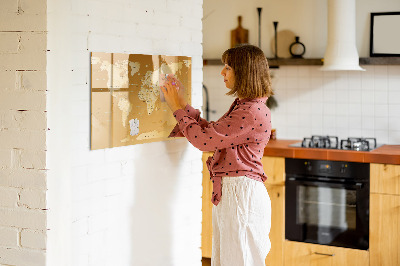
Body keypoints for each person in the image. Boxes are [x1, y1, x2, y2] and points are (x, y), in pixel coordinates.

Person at [161, 44, 273, 266]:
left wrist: (176, 107)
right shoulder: (246, 106)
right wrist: (182, 103)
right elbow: (212, 133)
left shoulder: (250, 111)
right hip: (236, 193)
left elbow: (204, 141)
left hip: (241, 195)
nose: (222, 72)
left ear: (244, 72)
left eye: (228, 67)